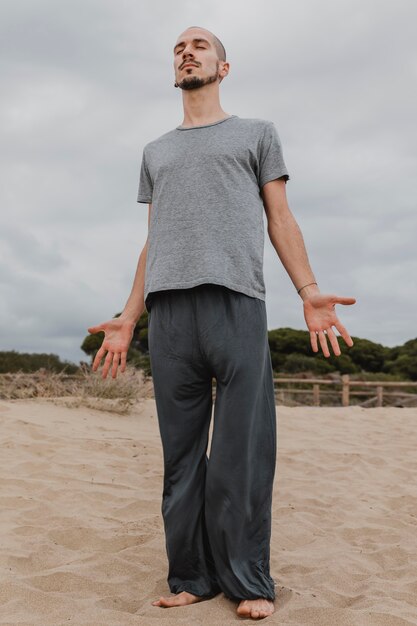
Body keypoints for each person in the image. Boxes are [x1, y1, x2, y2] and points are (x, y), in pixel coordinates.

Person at [87, 25, 356, 620]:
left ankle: (248, 580)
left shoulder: (257, 134)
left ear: (223, 68)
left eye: (200, 45)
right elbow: (153, 239)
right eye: (178, 47)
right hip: (170, 315)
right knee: (180, 457)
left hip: (237, 304)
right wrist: (129, 317)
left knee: (242, 452)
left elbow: (280, 218)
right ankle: (190, 577)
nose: (187, 51)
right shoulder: (155, 151)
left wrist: (309, 292)